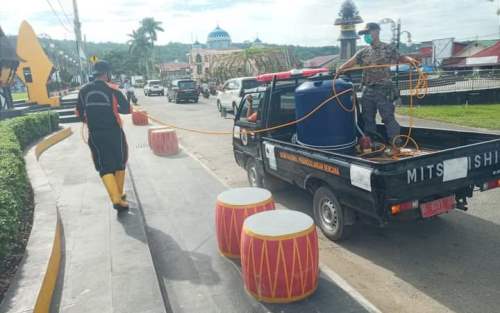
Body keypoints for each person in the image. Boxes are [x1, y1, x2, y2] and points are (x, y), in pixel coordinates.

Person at [337, 22, 418, 149]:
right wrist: (340, 68)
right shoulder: (363, 52)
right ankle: (373, 143)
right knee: (368, 118)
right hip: (368, 89)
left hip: (384, 89)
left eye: (367, 33)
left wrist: (411, 60)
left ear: (376, 32)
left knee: (388, 118)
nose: (366, 36)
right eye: (364, 34)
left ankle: (395, 143)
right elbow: (351, 62)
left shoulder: (388, 48)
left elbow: (401, 57)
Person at [76, 60, 131, 211]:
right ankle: (118, 196)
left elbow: (79, 113)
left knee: (104, 165)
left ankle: (116, 197)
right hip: (114, 133)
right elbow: (127, 109)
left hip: (95, 134)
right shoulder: (113, 89)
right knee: (120, 161)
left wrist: (90, 120)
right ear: (107, 74)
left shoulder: (83, 90)